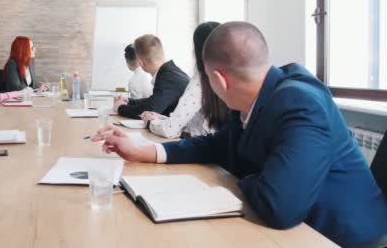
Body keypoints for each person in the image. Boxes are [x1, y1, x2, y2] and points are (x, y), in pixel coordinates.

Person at [94, 22, 387, 246]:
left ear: (219, 80)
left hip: (339, 237)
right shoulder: (251, 96)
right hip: (297, 227)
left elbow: (279, 208)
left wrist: (240, 180)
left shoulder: (300, 104)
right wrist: (147, 150)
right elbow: (216, 145)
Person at [140, 22, 228, 138]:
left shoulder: (200, 80)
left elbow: (170, 130)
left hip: (199, 148)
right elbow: (193, 124)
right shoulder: (227, 75)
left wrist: (150, 123)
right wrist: (160, 119)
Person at [113, 34, 189, 119]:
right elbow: (153, 101)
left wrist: (120, 108)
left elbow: (150, 109)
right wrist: (128, 101)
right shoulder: (171, 72)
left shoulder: (168, 78)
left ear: (141, 63)